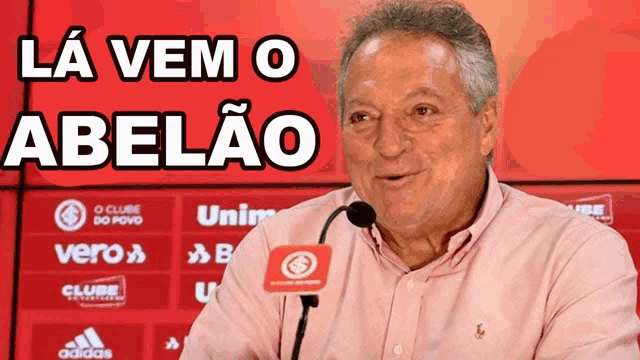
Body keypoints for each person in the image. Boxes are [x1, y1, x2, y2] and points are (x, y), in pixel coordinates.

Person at [180, 1, 640, 358]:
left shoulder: (576, 260)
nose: (389, 145)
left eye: (422, 112)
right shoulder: (280, 245)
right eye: (363, 116)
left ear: (485, 124)